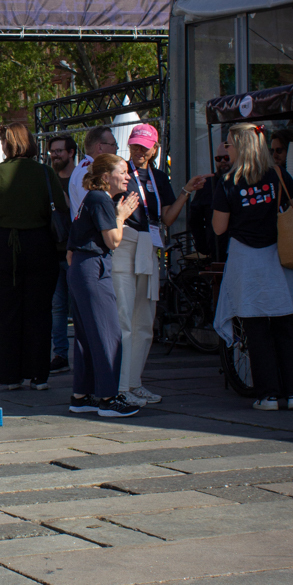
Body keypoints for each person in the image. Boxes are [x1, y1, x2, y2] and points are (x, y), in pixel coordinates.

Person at [114, 123, 204, 407]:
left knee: (143, 321)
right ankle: (120, 386)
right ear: (129, 145)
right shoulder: (120, 172)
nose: (139, 151)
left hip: (149, 245)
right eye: (135, 145)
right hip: (126, 242)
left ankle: (134, 382)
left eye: (145, 146)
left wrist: (185, 193)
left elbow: (166, 218)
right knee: (124, 318)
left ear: (154, 149)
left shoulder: (159, 177)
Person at [212, 123, 293, 411]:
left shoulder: (227, 181)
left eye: (229, 144)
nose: (226, 149)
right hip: (277, 256)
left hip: (245, 258)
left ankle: (268, 395)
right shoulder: (277, 175)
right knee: (284, 323)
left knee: (255, 325)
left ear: (241, 147)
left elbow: (219, 228)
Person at [0, 123, 67, 390]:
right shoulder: (45, 173)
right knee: (40, 312)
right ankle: (39, 374)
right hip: (40, 246)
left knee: (7, 313)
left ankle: (9, 374)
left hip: (3, 247)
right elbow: (60, 209)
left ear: (8, 144)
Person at [66, 156, 142, 418]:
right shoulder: (100, 199)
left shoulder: (91, 199)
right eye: (122, 172)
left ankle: (82, 395)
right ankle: (108, 398)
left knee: (88, 336)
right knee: (108, 334)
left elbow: (70, 248)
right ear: (106, 176)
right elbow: (113, 240)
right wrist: (121, 216)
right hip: (93, 269)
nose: (128, 177)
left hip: (81, 267)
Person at [48, 133, 78, 370]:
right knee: (57, 307)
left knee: (79, 305)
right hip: (53, 251)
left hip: (75, 250)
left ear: (71, 153)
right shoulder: (49, 181)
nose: (55, 155)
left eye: (59, 151)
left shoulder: (81, 179)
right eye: (52, 151)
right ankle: (60, 355)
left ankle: (85, 352)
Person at [187, 141, 230, 257]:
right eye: (218, 158)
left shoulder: (244, 182)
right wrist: (204, 246)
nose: (222, 161)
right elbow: (195, 219)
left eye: (226, 157)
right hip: (217, 250)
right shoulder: (208, 185)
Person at [67, 125, 117, 221]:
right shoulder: (87, 171)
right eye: (113, 145)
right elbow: (93, 208)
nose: (116, 149)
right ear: (100, 147)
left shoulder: (88, 168)